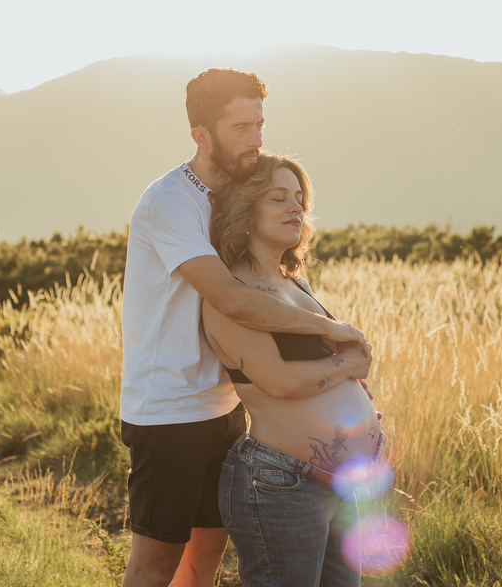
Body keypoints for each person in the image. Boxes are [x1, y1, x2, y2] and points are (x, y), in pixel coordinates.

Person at [119, 69, 370, 587]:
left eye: (258, 124)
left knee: (206, 550)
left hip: (222, 405)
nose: (255, 140)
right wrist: (335, 332)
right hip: (167, 410)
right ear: (201, 136)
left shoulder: (233, 192)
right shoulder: (171, 201)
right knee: (158, 561)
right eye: (240, 128)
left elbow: (260, 273)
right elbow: (232, 298)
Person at [202, 153, 383, 587]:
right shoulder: (231, 293)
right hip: (280, 484)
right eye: (278, 198)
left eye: (299, 199)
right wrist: (346, 366)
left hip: (338, 485)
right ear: (247, 208)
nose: (294, 208)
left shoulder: (294, 281)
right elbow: (278, 381)